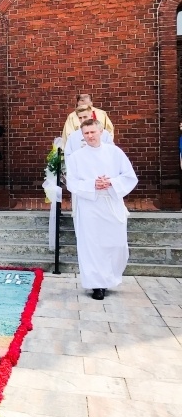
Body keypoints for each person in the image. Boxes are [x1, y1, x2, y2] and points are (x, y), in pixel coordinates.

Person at [66, 119, 138, 300]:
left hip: (111, 204)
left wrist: (111, 182)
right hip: (89, 207)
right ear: (82, 135)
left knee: (117, 244)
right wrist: (93, 184)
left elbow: (130, 177)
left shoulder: (115, 153)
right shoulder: (76, 157)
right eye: (86, 133)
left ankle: (110, 278)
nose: (90, 136)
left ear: (101, 132)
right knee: (92, 246)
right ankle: (97, 285)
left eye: (93, 132)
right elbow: (72, 183)